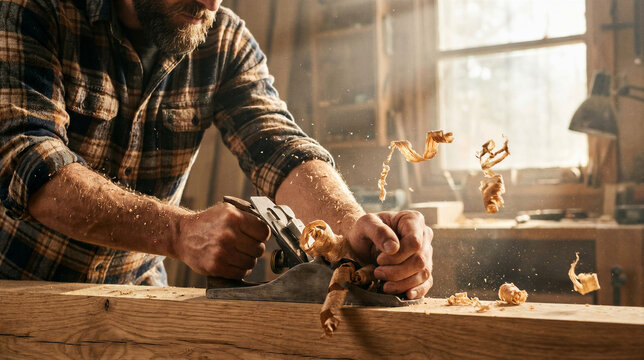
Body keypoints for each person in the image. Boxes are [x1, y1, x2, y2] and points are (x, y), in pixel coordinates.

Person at [0, 0, 433, 299]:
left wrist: (350, 234)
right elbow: (27, 160)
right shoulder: (35, 11)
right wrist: (178, 232)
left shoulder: (222, 38)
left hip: (133, 295)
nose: (209, 3)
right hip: (18, 290)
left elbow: (279, 145)